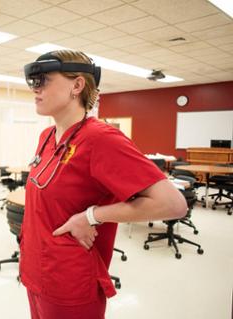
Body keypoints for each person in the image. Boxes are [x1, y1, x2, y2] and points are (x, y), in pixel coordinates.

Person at [20, 50, 187, 319]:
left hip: (70, 283)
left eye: (44, 80)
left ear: (77, 85)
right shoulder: (46, 136)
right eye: (33, 82)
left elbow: (173, 204)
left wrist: (92, 216)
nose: (35, 89)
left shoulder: (101, 138)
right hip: (36, 271)